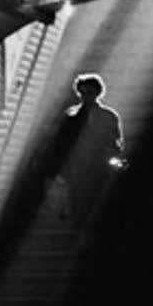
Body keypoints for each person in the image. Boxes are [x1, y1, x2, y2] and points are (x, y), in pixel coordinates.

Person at [46, 73, 126, 229]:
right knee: (78, 202)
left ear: (97, 92)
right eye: (82, 93)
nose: (85, 96)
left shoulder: (108, 116)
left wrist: (112, 156)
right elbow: (60, 142)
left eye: (89, 92)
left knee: (93, 200)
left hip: (98, 165)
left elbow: (116, 140)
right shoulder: (71, 115)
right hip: (77, 166)